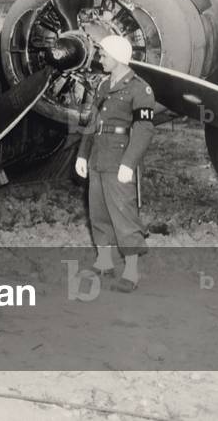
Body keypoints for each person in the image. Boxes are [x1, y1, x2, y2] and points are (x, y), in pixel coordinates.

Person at [75, 35, 156, 292]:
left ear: (118, 57)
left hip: (119, 160)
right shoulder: (102, 86)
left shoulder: (139, 88)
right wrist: (82, 154)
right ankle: (104, 262)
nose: (100, 59)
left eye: (103, 55)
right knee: (98, 214)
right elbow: (92, 123)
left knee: (124, 216)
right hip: (98, 157)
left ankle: (131, 273)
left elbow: (144, 130)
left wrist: (129, 163)